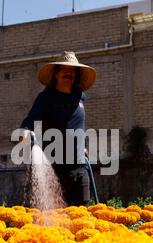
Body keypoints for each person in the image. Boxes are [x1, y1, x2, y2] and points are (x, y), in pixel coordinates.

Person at [19, 51, 96, 206]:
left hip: (79, 169)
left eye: (73, 70)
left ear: (76, 75)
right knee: (55, 215)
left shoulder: (80, 96)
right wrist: (25, 132)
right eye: (64, 69)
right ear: (56, 74)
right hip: (55, 169)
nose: (68, 73)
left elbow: (79, 124)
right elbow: (30, 121)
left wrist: (84, 146)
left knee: (82, 216)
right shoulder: (46, 98)